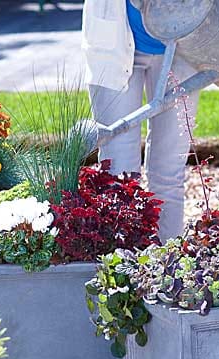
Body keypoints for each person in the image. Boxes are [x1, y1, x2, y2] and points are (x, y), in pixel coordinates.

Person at [81, 0, 200, 240]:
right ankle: (120, 267)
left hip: (183, 47)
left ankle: (169, 264)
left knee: (169, 172)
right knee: (118, 174)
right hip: (113, 43)